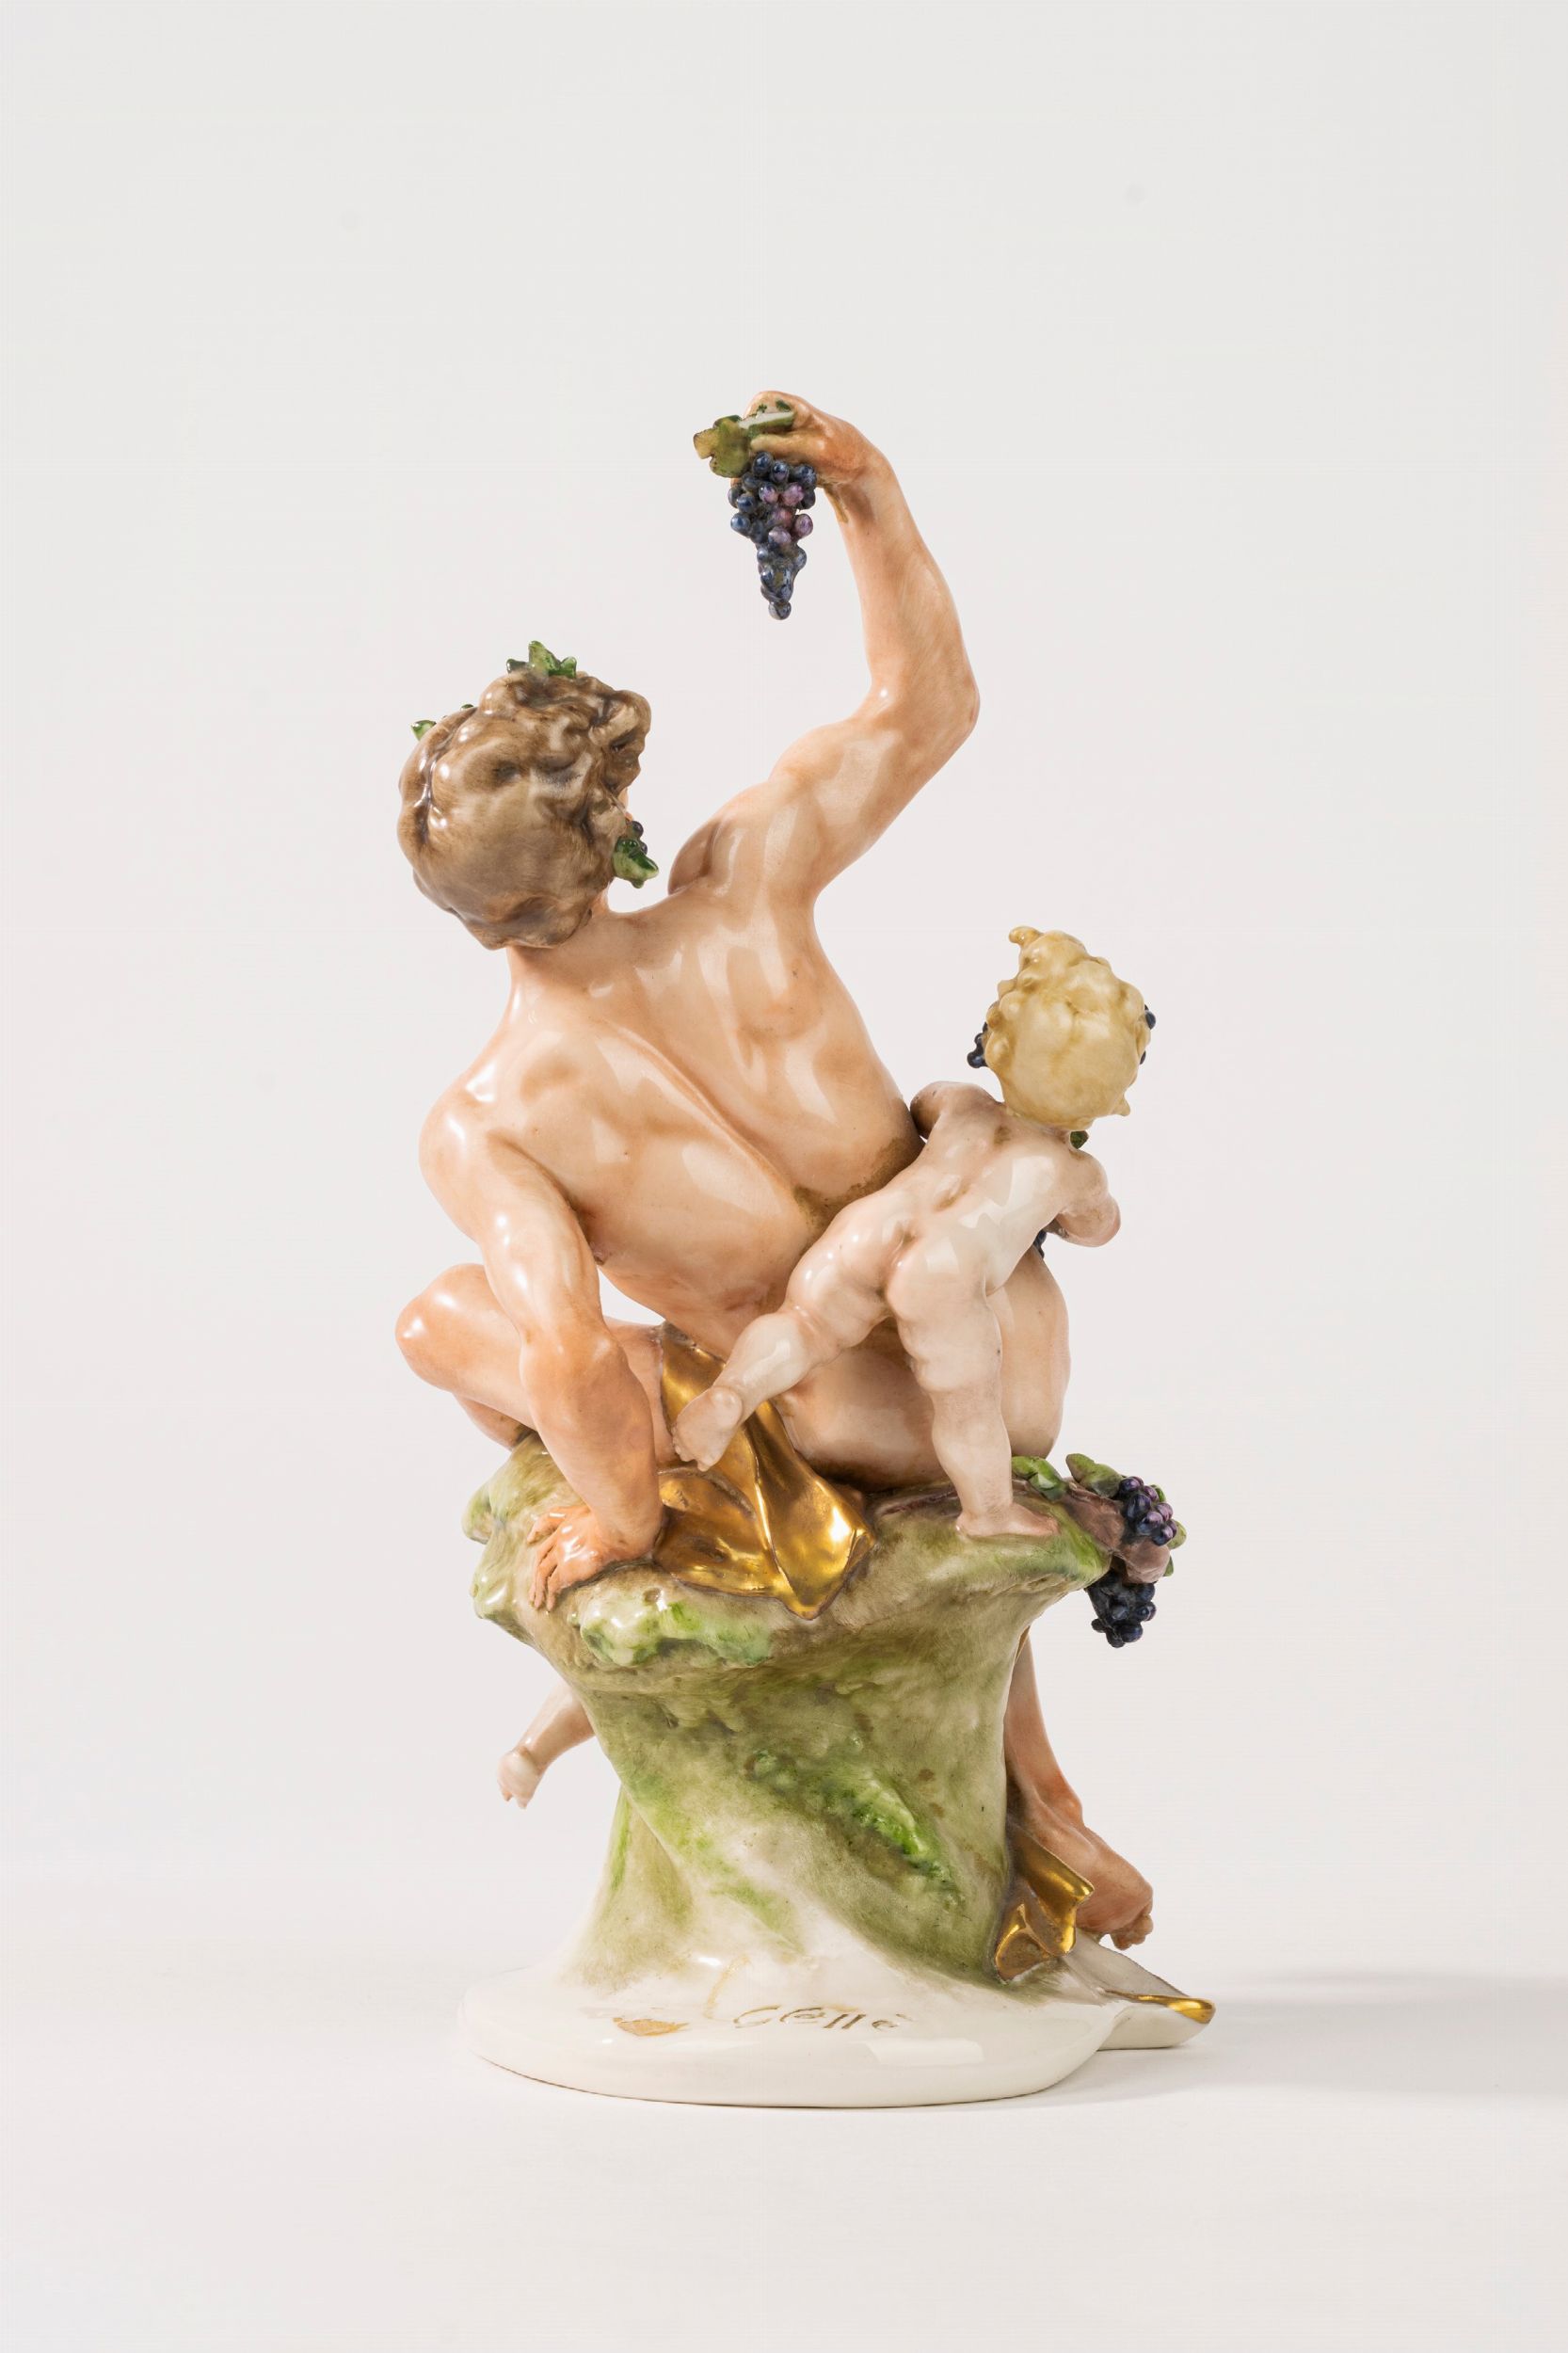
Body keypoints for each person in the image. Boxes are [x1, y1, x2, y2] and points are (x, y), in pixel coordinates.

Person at [395, 394, 1153, 1942]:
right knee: (854, 1368)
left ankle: (1000, 1779)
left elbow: (564, 1353)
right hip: (1014, 1348)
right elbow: (924, 704)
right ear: (612, 831)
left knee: (437, 1325)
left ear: (461, 911)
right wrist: (866, 491)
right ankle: (1047, 1808)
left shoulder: (492, 1118)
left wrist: (619, 1520)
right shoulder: (741, 886)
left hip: (841, 1418)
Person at [673, 931, 1160, 1549]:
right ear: (1115, 1094)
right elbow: (1098, 1228)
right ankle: (988, 1512)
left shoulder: (962, 1103)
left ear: (999, 1044)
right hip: (947, 1271)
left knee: (805, 1324)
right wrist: (1062, 1216)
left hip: (878, 1223)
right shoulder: (1075, 1172)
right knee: (967, 1403)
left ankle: (732, 1393)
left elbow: (920, 1106)